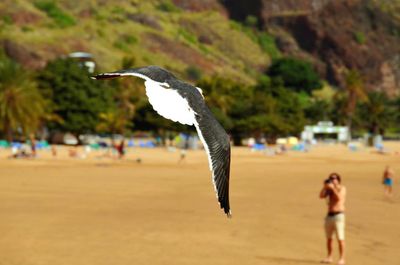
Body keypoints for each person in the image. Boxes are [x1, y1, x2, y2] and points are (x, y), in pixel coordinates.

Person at [319, 173, 347, 265]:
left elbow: (338, 198)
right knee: (329, 238)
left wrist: (332, 188)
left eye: (334, 178)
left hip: (339, 216)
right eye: (331, 178)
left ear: (338, 180)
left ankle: (342, 259)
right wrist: (324, 187)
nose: (333, 180)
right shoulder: (329, 190)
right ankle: (329, 257)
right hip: (329, 216)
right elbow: (321, 196)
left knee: (340, 238)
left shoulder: (342, 188)